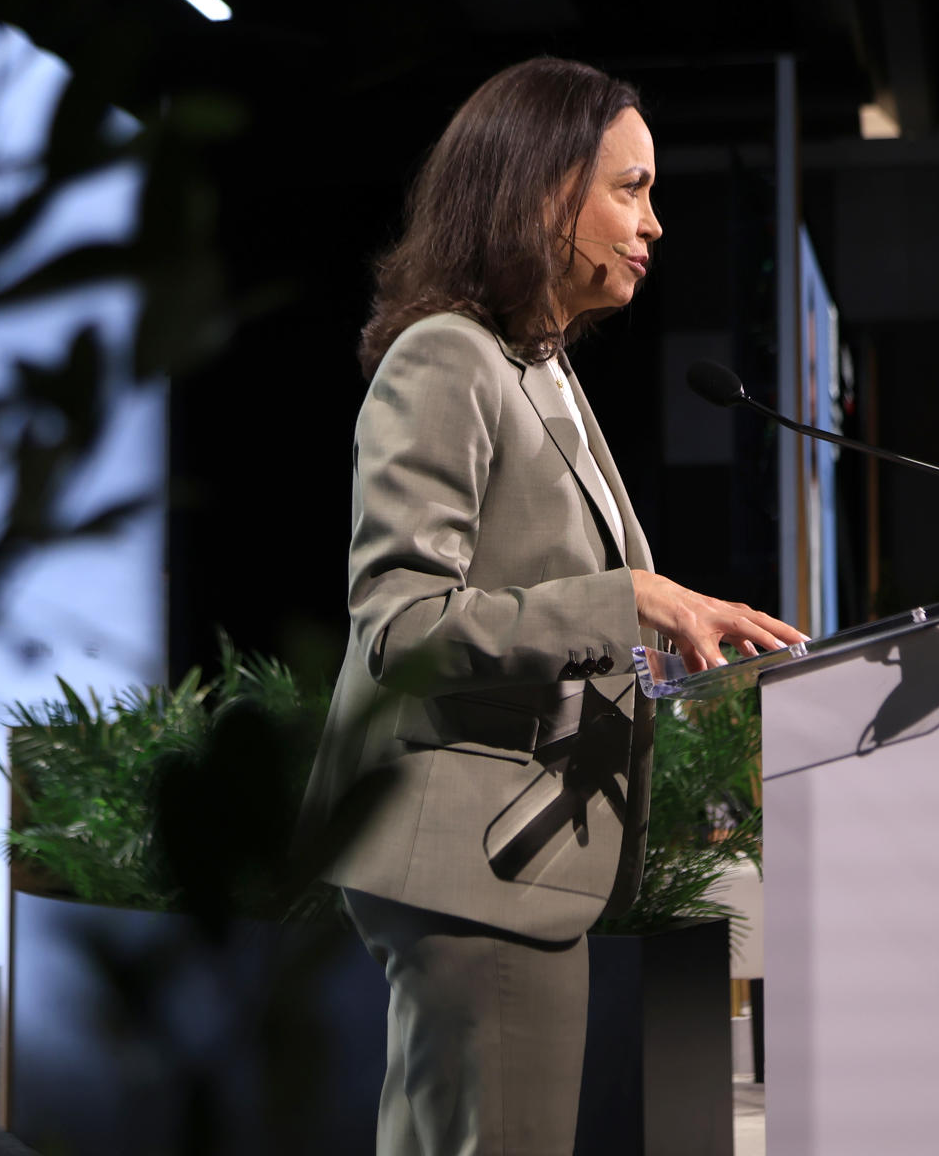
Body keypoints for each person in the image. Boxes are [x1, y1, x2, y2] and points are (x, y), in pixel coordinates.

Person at [298, 56, 805, 1156]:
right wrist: (628, 600)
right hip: (469, 865)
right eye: (631, 188)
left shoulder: (542, 369)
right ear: (541, 190)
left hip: (501, 861)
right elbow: (401, 623)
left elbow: (544, 599)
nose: (654, 222)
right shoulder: (448, 359)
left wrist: (662, 639)